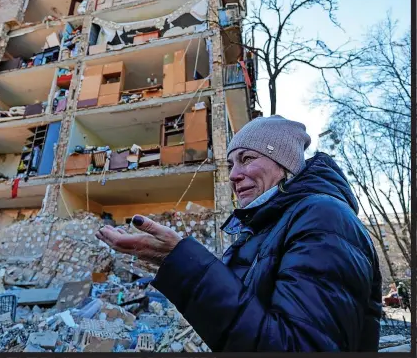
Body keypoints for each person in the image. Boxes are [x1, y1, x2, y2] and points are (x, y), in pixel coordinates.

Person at [96, 115, 383, 351]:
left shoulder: (323, 218)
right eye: (231, 164)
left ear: (286, 165)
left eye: (246, 159)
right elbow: (245, 319)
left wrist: (183, 262)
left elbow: (299, 346)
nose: (233, 175)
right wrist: (172, 262)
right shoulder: (262, 228)